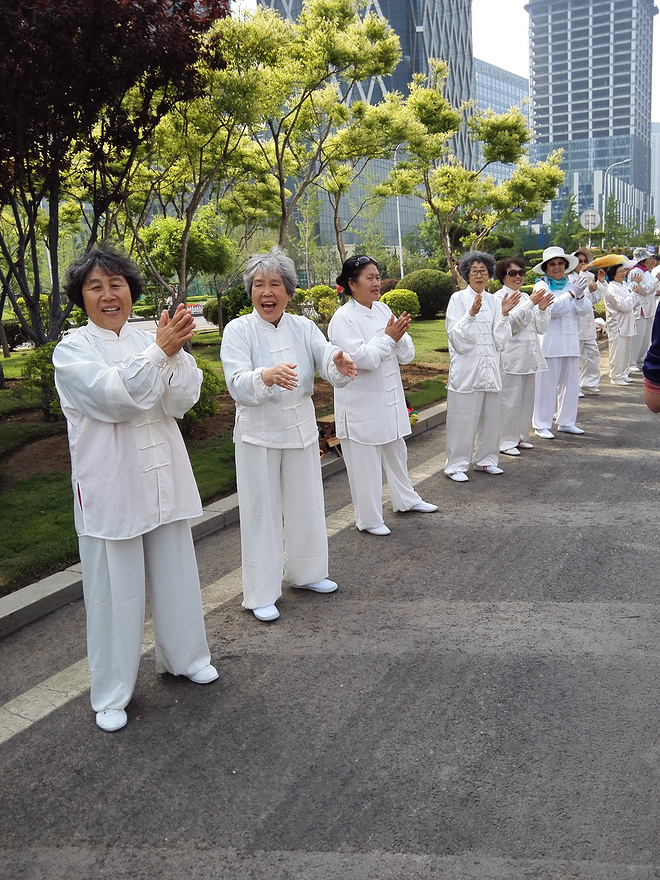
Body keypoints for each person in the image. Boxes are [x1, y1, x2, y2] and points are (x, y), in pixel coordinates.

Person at [53, 246, 218, 733]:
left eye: (117, 284)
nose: (108, 295)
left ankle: (185, 658)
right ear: (80, 297)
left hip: (162, 472)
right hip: (110, 485)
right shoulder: (72, 350)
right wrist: (161, 352)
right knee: (112, 593)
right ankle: (111, 692)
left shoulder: (153, 338)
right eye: (95, 287)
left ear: (131, 290)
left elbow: (182, 399)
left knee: (177, 575)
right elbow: (113, 398)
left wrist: (175, 354)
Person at [220, 247, 357, 622]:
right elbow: (235, 382)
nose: (267, 292)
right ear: (250, 291)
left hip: (300, 429)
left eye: (275, 284)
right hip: (258, 435)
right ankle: (261, 592)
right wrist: (264, 376)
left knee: (307, 502)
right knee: (260, 513)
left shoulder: (302, 326)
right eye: (259, 284)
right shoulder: (238, 330)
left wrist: (337, 362)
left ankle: (308, 573)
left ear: (288, 290)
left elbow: (324, 353)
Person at [327, 255, 438, 536]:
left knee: (396, 451)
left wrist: (397, 336)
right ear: (351, 284)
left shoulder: (382, 309)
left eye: (377, 277)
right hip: (361, 404)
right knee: (365, 464)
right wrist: (389, 338)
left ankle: (406, 499)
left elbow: (406, 354)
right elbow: (363, 359)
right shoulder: (343, 320)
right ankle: (369, 518)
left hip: (389, 398)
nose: (376, 283)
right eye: (369, 278)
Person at [443, 250, 519, 481]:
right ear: (466, 274)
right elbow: (456, 338)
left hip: (490, 369)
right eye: (474, 271)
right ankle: (456, 465)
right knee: (462, 419)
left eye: (483, 271)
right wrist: (471, 315)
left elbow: (501, 340)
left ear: (489, 275)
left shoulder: (495, 301)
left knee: (491, 417)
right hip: (467, 371)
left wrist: (505, 314)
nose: (479, 276)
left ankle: (486, 460)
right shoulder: (458, 300)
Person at [493, 257, 552, 456]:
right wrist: (531, 305)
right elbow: (511, 326)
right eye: (512, 273)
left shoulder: (527, 297)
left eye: (521, 273)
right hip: (511, 358)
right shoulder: (498, 299)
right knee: (509, 401)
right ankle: (504, 441)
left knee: (526, 401)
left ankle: (519, 436)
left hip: (529, 356)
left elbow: (540, 327)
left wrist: (542, 309)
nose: (518, 276)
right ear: (503, 276)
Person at [531, 246, 591, 438]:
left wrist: (580, 295)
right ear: (546, 267)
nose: (557, 267)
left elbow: (585, 309)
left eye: (560, 263)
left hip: (570, 340)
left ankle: (566, 421)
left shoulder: (571, 283)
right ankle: (541, 423)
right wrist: (573, 294)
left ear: (565, 265)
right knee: (546, 386)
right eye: (552, 264)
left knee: (571, 384)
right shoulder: (541, 286)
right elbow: (552, 309)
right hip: (550, 342)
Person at [571, 248, 607, 394]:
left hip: (588, 322)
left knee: (592, 354)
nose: (583, 264)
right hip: (576, 322)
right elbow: (575, 297)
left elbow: (594, 298)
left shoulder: (589, 277)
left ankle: (589, 382)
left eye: (585, 261)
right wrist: (588, 291)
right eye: (579, 261)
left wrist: (601, 282)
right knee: (576, 356)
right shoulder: (570, 279)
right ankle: (575, 386)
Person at [604, 259, 638, 385]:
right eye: (621, 271)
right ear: (613, 274)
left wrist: (633, 295)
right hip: (617, 325)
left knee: (625, 351)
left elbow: (634, 303)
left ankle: (623, 373)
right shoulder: (612, 288)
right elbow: (623, 305)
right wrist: (633, 295)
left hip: (627, 323)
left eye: (624, 271)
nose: (624, 273)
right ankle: (616, 376)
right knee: (618, 351)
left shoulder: (623, 285)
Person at [627, 248, 660, 374]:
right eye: (650, 258)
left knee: (646, 338)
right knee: (637, 338)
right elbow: (645, 289)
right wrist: (657, 279)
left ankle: (640, 361)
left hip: (648, 309)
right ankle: (632, 362)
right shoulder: (636, 272)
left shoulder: (646, 272)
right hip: (639, 309)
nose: (653, 261)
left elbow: (651, 289)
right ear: (643, 259)